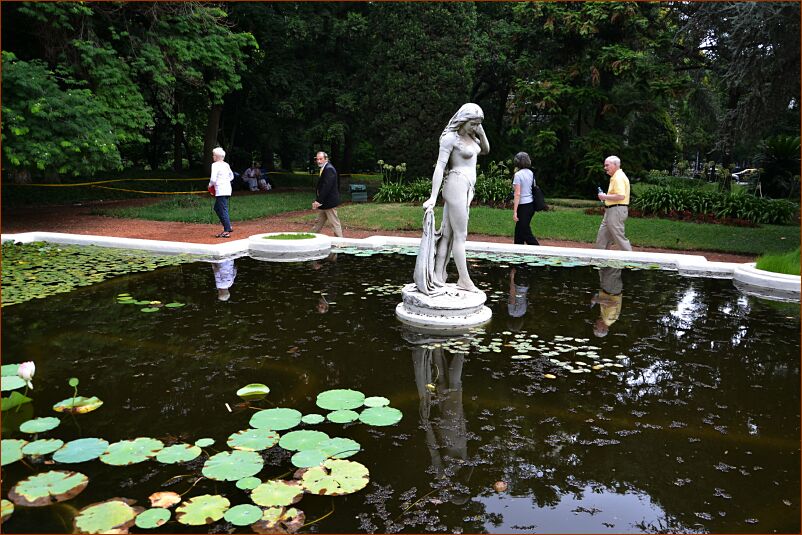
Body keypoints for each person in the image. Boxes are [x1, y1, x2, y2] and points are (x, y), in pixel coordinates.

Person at [421, 103, 490, 293]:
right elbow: (440, 167)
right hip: (456, 184)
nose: (475, 128)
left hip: (466, 187)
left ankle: (438, 274)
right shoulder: (450, 138)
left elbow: (485, 150)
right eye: (473, 124)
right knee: (461, 235)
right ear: (463, 120)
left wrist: (480, 130)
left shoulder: (471, 137)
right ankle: (464, 279)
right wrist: (433, 197)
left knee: (448, 235)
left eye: (478, 124)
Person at [595, 155, 632, 251]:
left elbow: (621, 196)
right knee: (602, 238)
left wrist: (604, 196)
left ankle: (631, 260)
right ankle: (600, 260)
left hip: (616, 210)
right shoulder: (616, 177)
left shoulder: (618, 178)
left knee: (619, 238)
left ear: (615, 165)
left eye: (607, 165)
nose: (605, 168)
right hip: (611, 211)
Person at [311, 151, 343, 237]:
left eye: (321, 159)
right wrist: (319, 200)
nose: (318, 161)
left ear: (326, 159)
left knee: (334, 223)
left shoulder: (329, 169)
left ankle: (341, 243)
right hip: (324, 202)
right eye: (317, 159)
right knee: (318, 222)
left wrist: (318, 201)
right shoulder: (325, 168)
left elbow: (326, 187)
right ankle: (310, 238)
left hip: (329, 202)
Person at [511, 151, 540, 245]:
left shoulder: (518, 175)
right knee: (519, 233)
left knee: (525, 232)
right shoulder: (530, 173)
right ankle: (517, 251)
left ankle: (539, 251)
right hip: (531, 206)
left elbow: (517, 194)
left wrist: (515, 212)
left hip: (523, 206)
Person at [209, 147, 234, 238]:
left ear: (216, 156)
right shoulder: (226, 164)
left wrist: (210, 185)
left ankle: (227, 230)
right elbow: (232, 176)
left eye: (213, 155)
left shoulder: (215, 165)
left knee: (222, 209)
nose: (213, 156)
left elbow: (213, 179)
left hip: (221, 190)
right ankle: (227, 226)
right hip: (227, 189)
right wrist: (225, 181)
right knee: (217, 208)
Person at [591, 267, 623, 337]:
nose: (594, 325)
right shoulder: (608, 319)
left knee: (604, 267)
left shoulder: (605, 319)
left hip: (608, 288)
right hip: (611, 288)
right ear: (603, 328)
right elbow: (613, 304)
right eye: (596, 328)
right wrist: (596, 300)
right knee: (613, 266)